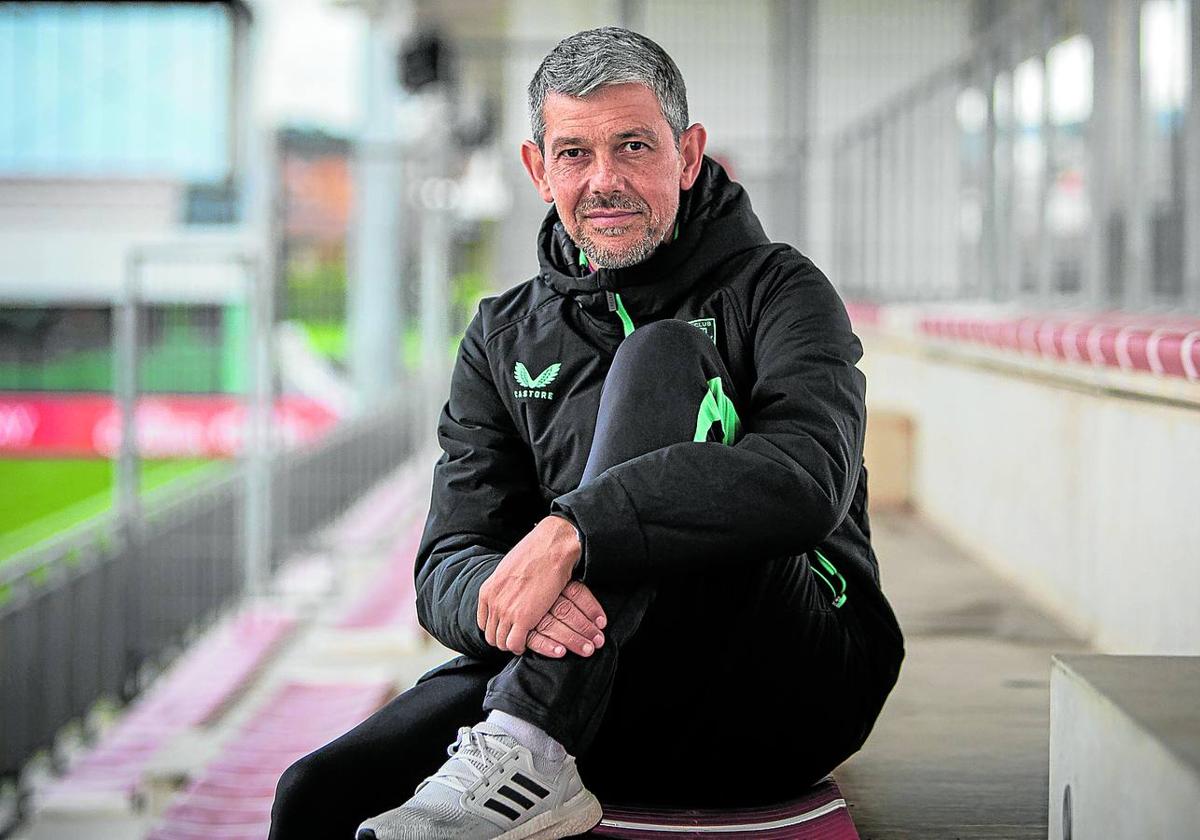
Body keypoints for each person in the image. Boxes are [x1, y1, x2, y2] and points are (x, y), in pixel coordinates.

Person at [269, 26, 904, 840]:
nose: (605, 181)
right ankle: (530, 739)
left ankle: (529, 736)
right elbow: (448, 562)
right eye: (574, 153)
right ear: (537, 170)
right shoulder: (504, 336)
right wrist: (520, 603)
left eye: (634, 145)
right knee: (317, 795)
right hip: (600, 683)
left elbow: (807, 478)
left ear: (689, 153)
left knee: (664, 357)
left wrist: (574, 534)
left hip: (778, 688)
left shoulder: (779, 289)